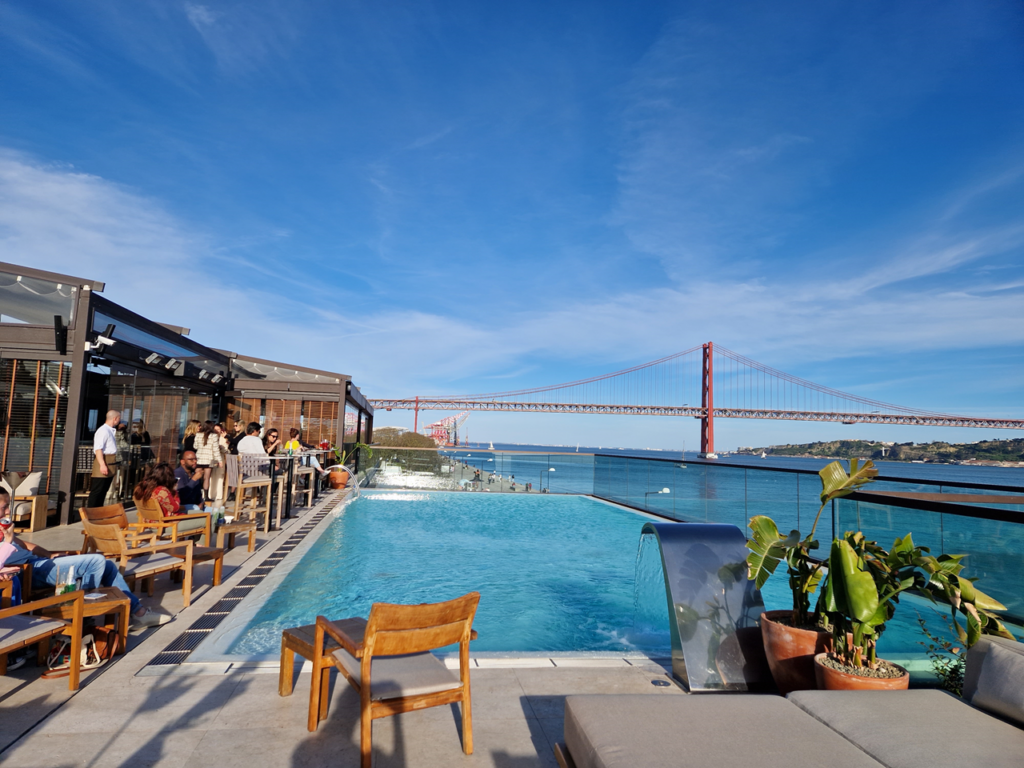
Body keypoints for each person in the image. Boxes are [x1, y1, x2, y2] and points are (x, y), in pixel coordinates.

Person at [0, 489, 167, 627]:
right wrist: (8, 543)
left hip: (40, 563)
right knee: (96, 561)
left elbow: (24, 545)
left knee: (107, 566)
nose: (8, 511)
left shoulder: (3, 528)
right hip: (27, 571)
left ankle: (137, 612)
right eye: (5, 507)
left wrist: (49, 554)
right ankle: (82, 617)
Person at [88, 410, 121, 508]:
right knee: (97, 490)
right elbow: (98, 449)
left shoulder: (110, 431)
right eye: (119, 418)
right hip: (103, 461)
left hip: (111, 462)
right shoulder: (103, 431)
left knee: (104, 490)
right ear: (115, 418)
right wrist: (102, 464)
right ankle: (91, 513)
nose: (119, 421)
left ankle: (99, 511)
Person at [194, 421, 223, 499]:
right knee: (206, 478)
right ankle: (206, 496)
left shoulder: (198, 435)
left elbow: (195, 446)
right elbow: (216, 450)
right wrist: (220, 461)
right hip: (209, 459)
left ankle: (195, 494)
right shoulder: (214, 436)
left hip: (199, 458)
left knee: (197, 477)